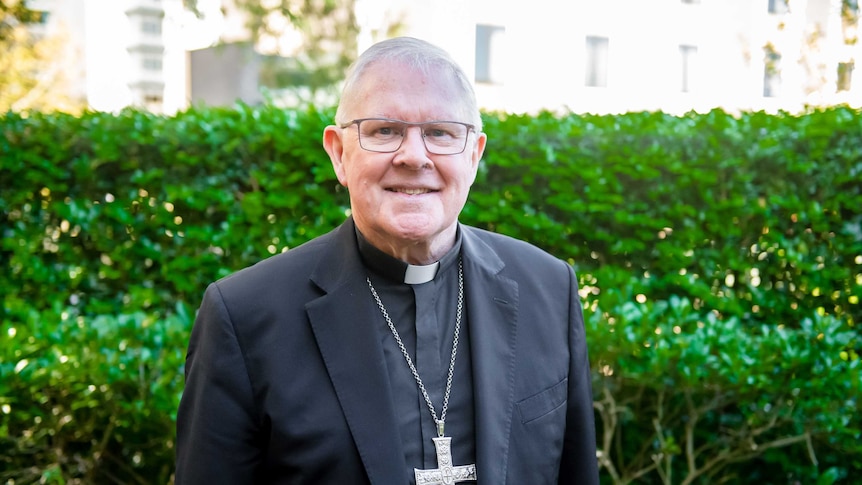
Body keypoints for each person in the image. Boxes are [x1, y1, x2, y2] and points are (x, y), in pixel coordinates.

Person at [175, 36, 599, 484]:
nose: (414, 156)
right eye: (384, 130)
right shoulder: (245, 316)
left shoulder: (549, 290)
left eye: (440, 133)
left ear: (474, 155)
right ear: (339, 152)